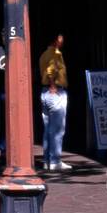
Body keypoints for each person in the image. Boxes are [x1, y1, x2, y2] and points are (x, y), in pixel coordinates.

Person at [39, 33, 70, 171]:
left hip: (45, 93)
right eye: (61, 37)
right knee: (57, 129)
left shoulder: (44, 54)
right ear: (56, 39)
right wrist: (53, 85)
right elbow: (51, 70)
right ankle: (55, 161)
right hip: (55, 92)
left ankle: (47, 160)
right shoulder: (54, 54)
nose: (63, 40)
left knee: (48, 129)